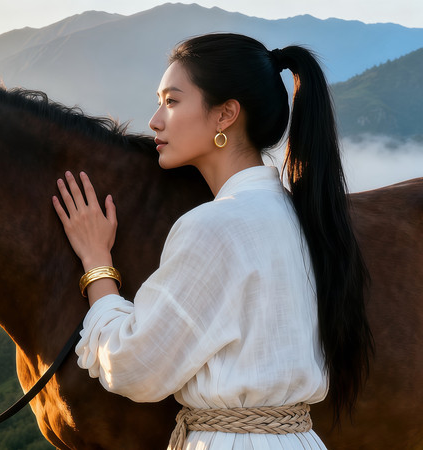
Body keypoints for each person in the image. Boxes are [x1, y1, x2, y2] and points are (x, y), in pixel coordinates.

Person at [51, 33, 373, 449]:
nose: (155, 120)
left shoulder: (214, 225)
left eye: (172, 101)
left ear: (225, 115)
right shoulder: (302, 217)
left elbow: (135, 367)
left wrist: (97, 264)